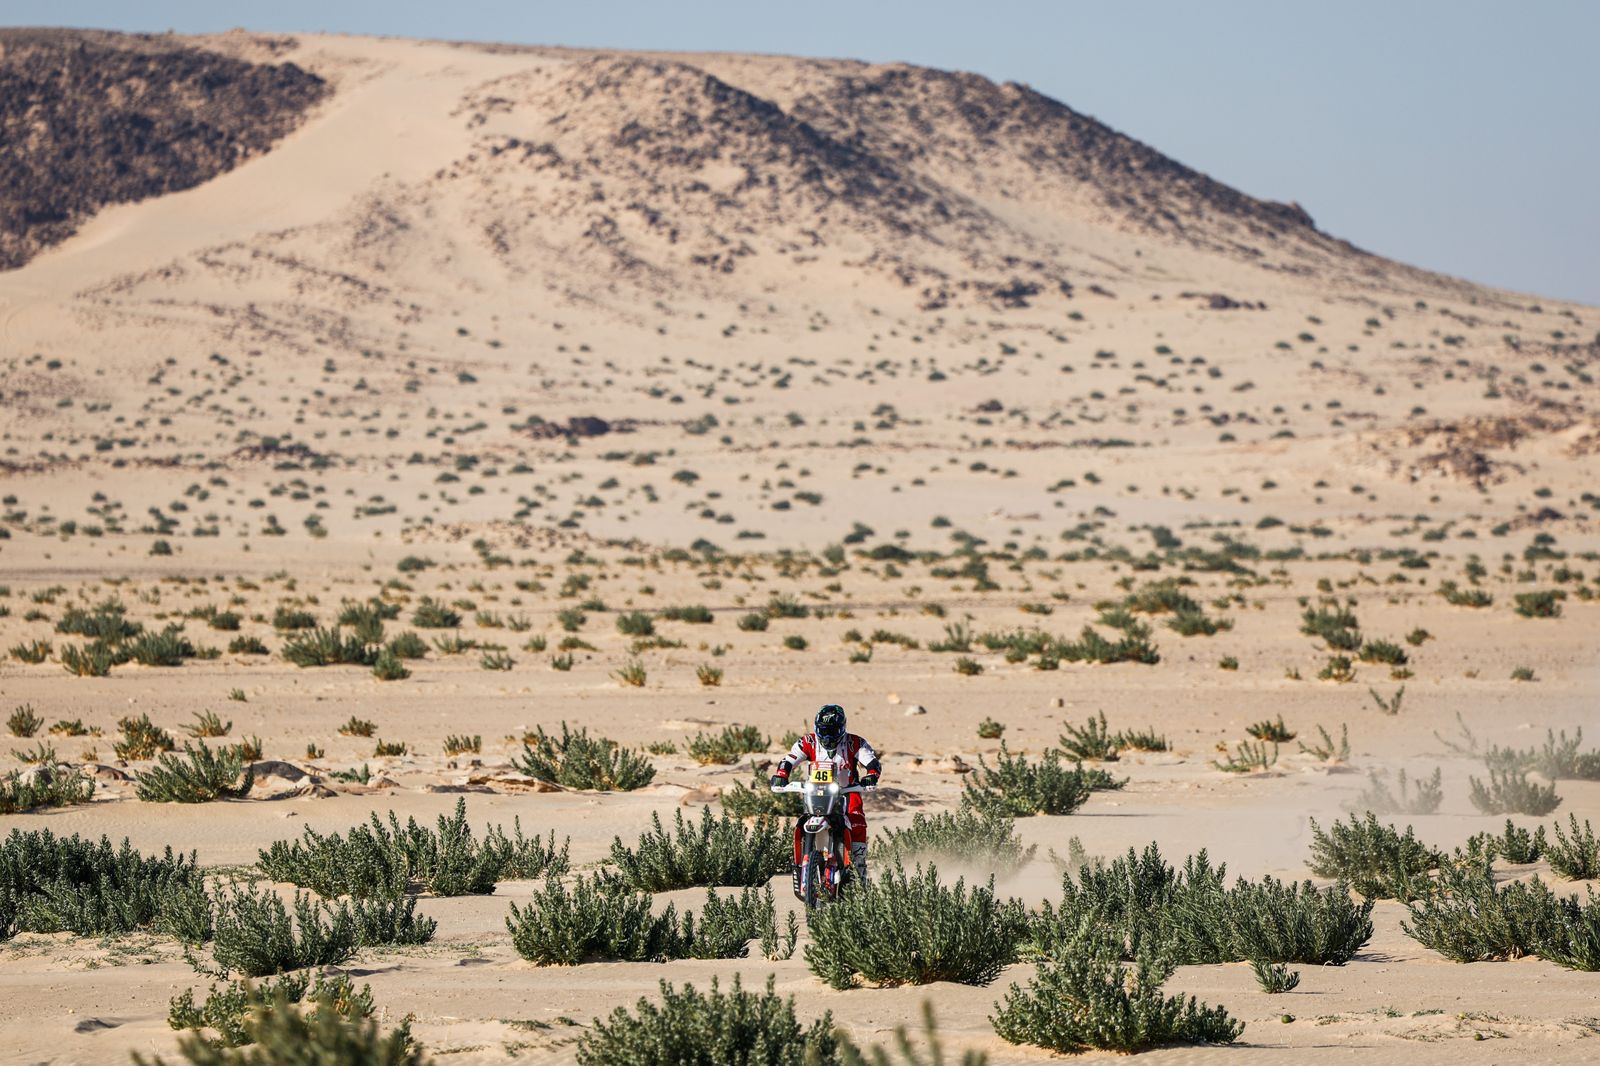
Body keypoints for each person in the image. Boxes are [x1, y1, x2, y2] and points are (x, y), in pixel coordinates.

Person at [771, 703, 881, 890]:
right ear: (816, 727)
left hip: (846, 792)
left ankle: (860, 868)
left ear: (843, 727)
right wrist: (782, 775)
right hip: (816, 793)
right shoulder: (808, 742)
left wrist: (871, 776)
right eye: (824, 730)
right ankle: (802, 863)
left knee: (856, 820)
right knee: (802, 820)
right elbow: (789, 760)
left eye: (834, 730)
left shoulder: (855, 742)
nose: (828, 735)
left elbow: (872, 762)